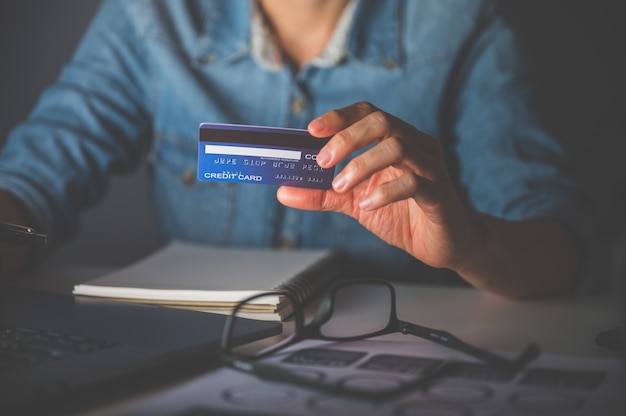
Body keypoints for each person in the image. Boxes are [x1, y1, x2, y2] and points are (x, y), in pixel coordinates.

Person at [0, 0, 611, 298]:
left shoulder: (464, 26)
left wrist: (471, 242)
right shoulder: (151, 16)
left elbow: (559, 243)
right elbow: (31, 183)